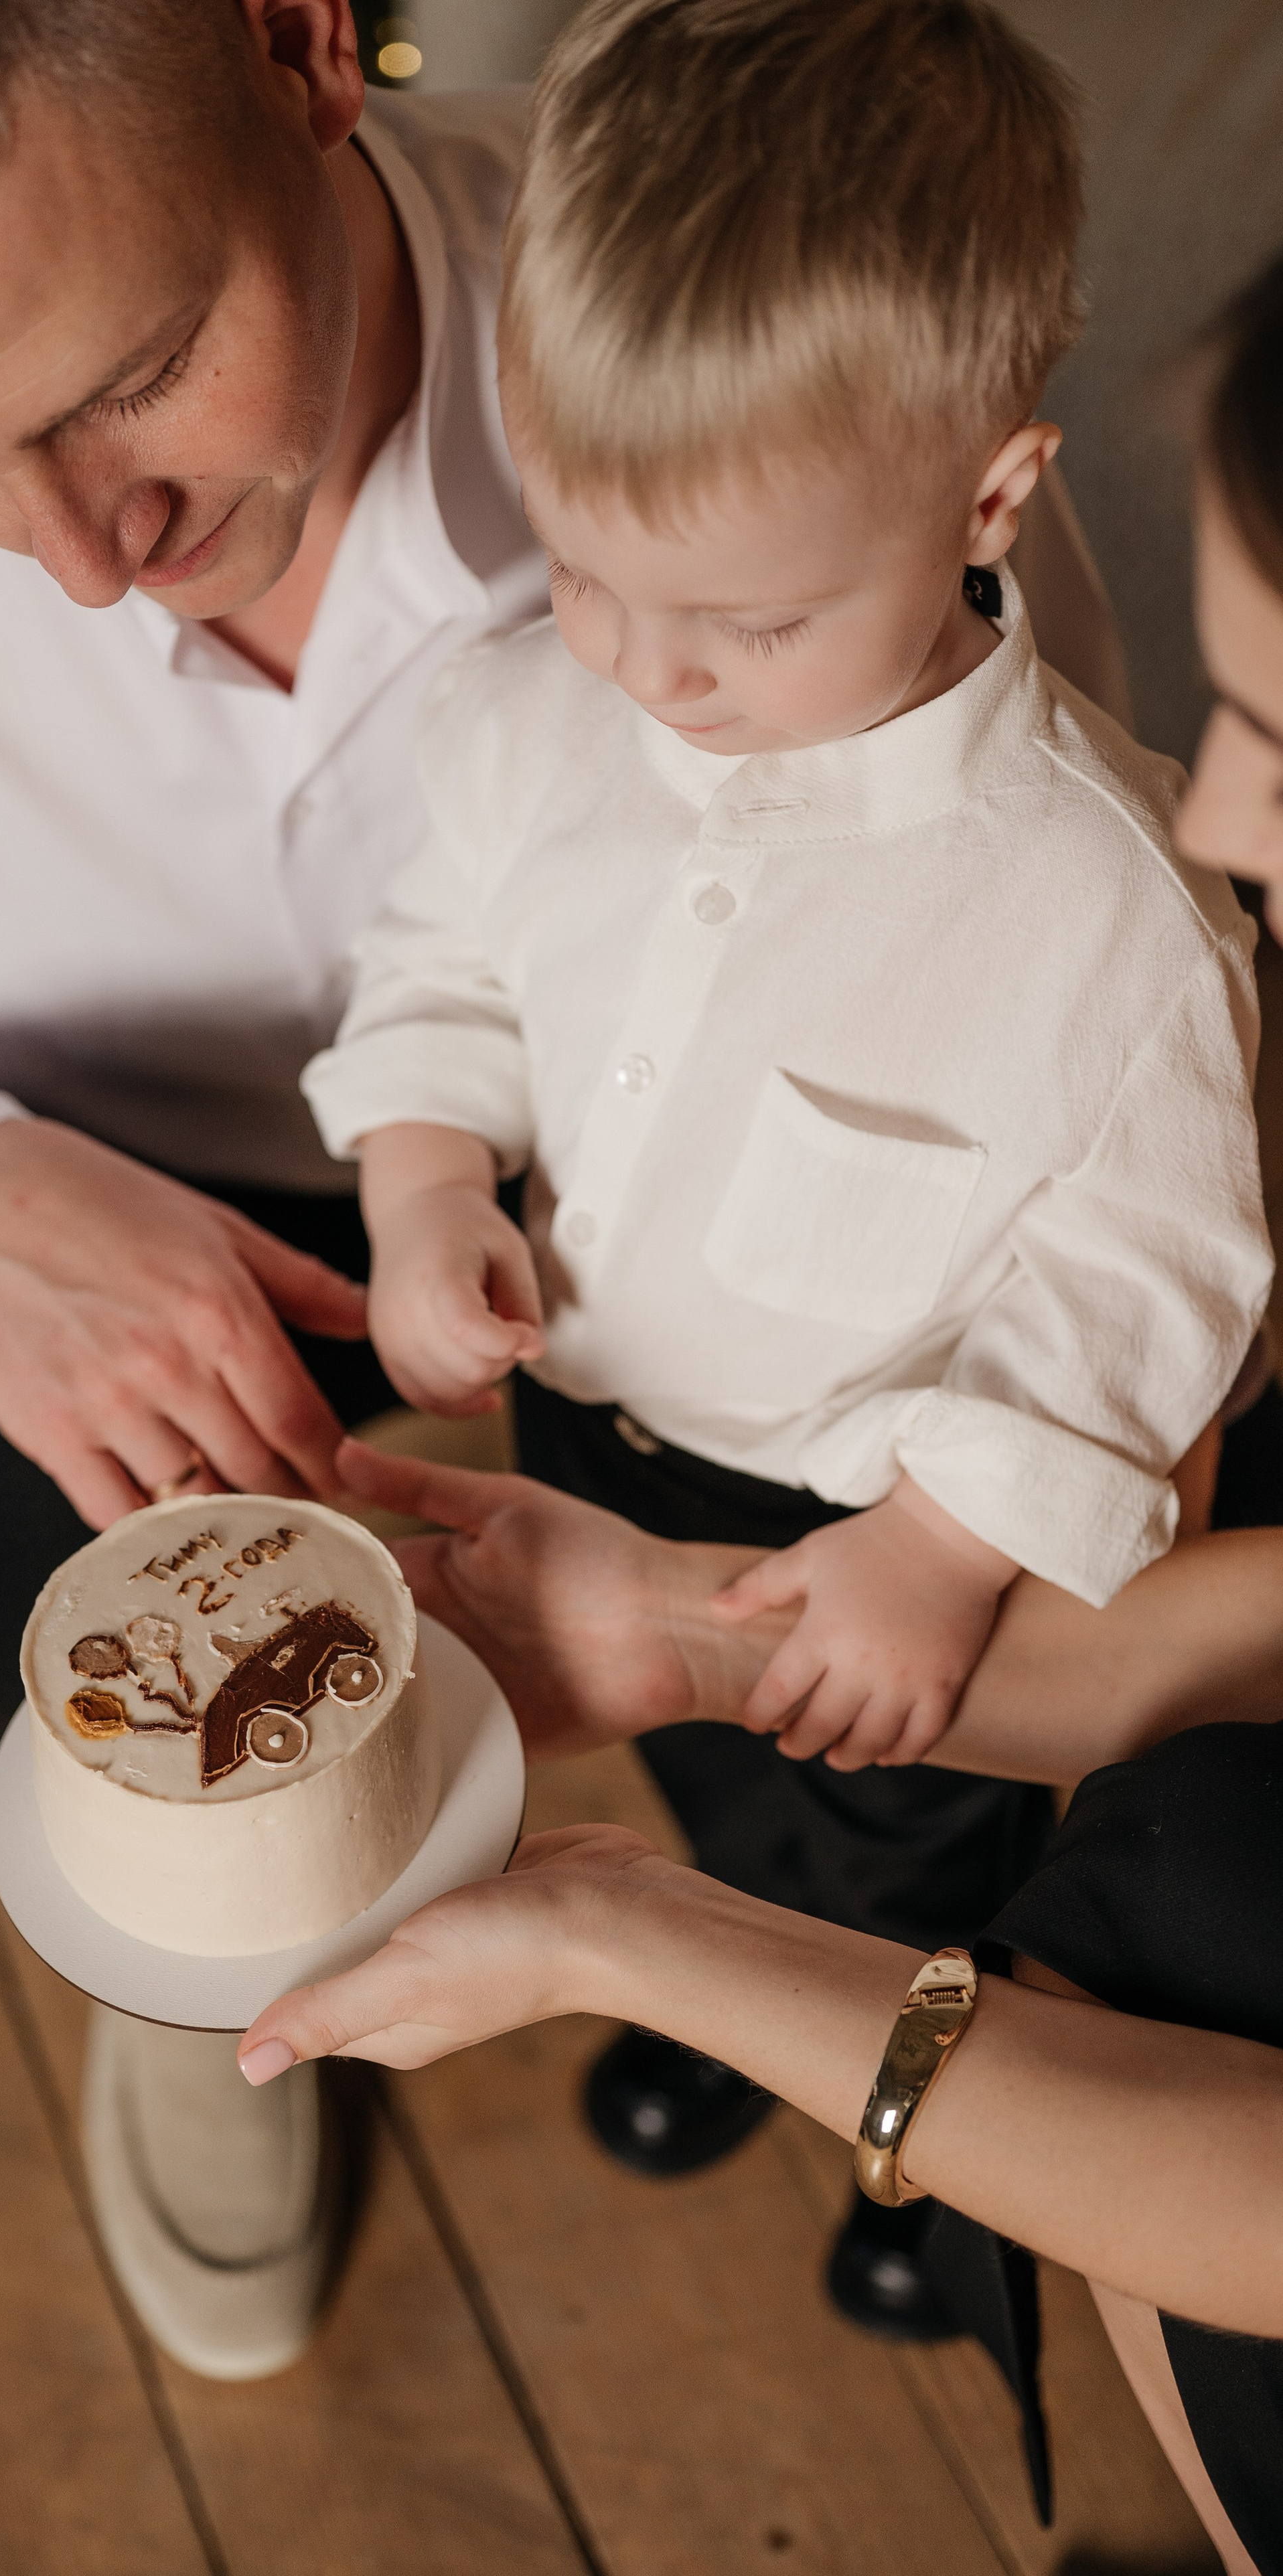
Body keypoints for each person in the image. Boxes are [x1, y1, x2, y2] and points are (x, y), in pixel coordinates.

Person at [0, 0, 1135, 2377]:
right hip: (128, 1180)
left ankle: (869, 2011)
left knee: (837, 1667)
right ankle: (232, 1959)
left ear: (300, 42)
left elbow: (1054, 906)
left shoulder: (746, 314)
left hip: (738, 1170)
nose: (86, 568)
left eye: (135, 372)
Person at [239, 246, 1283, 2576]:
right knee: (698, 1758)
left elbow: (1147, 1292)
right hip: (611, 1428)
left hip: (914, 1523)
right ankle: (725, 1977)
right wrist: (422, 1175)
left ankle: (963, 2176)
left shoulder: (1116, 923)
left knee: (930, 1833)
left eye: (742, 621)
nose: (650, 670)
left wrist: (943, 1542)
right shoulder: (537, 720)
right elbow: (442, 965)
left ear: (992, 496)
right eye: (593, 569)